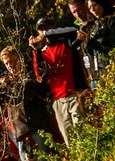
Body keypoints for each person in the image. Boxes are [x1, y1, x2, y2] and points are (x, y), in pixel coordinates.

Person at [0, 46, 55, 161]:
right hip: (21, 135)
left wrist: (8, 84)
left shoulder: (29, 74)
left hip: (37, 129)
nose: (10, 66)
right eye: (7, 63)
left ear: (19, 59)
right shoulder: (7, 82)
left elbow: (32, 91)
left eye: (13, 61)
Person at [28, 16, 90, 146]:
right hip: (58, 101)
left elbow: (73, 29)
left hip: (75, 95)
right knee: (69, 141)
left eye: (47, 27)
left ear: (54, 26)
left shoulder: (67, 41)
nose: (44, 31)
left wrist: (45, 34)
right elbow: (38, 75)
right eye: (41, 29)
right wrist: (34, 50)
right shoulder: (42, 52)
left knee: (83, 136)